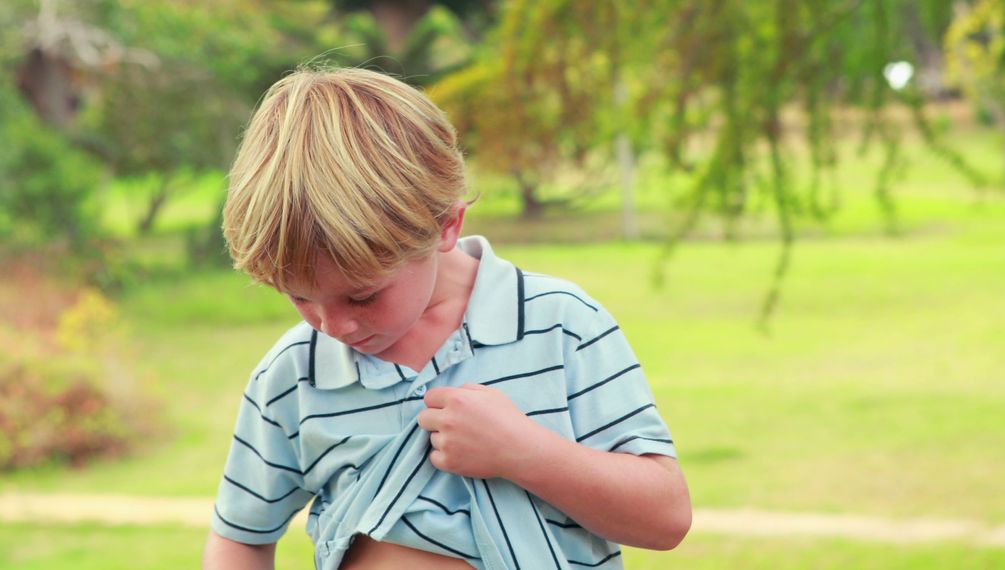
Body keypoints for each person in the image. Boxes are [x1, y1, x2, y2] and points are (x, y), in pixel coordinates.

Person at [202, 66, 691, 570]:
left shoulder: (561, 325)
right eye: (301, 298)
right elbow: (239, 537)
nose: (334, 327)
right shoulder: (293, 374)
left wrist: (525, 452)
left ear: (445, 226)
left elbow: (665, 518)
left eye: (363, 296)